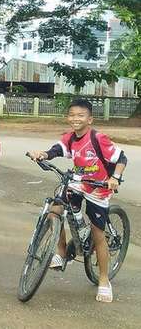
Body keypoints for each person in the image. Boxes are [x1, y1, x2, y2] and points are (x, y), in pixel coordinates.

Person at [28, 99, 127, 303]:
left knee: (98, 235)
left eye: (80, 115)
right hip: (78, 182)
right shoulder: (70, 138)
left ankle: (103, 280)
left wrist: (114, 178)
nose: (75, 119)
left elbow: (121, 158)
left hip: (99, 188)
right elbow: (57, 149)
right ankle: (61, 252)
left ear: (89, 119)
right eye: (72, 115)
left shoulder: (98, 138)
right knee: (56, 208)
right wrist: (43, 154)